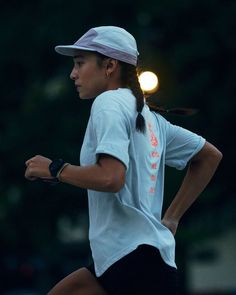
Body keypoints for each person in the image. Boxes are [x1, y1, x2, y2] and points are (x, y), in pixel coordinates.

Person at [24, 26, 222, 294]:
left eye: (80, 64)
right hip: (130, 260)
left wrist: (56, 169)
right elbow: (210, 156)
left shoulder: (108, 103)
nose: (73, 74)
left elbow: (111, 177)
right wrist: (172, 218)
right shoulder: (150, 118)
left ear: (109, 66)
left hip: (133, 264)